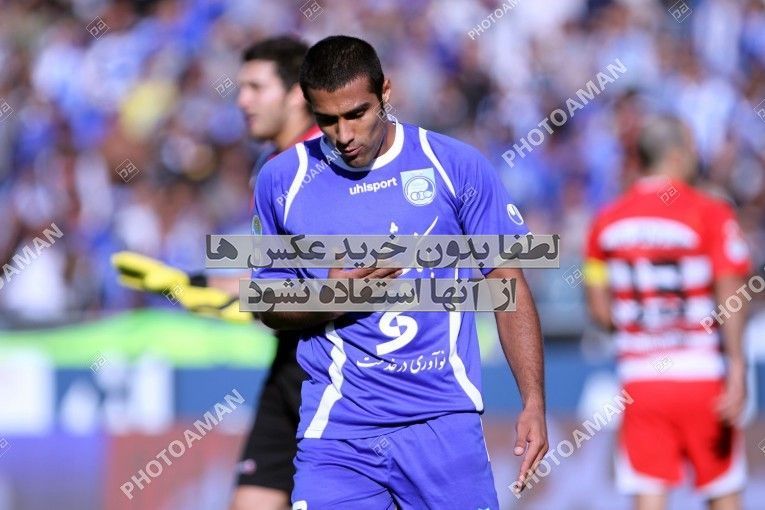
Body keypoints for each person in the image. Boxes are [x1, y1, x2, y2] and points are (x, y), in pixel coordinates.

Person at [252, 35, 548, 509]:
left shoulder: (454, 165)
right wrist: (327, 300)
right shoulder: (281, 180)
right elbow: (266, 300)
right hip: (337, 433)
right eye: (327, 120)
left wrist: (532, 400)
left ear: (385, 92)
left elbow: (505, 281)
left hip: (441, 425)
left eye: (357, 114)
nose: (344, 135)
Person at [112, 35, 319, 510]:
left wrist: (215, 291)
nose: (241, 100)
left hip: (331, 366)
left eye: (255, 87)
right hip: (289, 360)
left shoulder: (321, 166)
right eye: (240, 87)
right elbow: (276, 275)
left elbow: (319, 285)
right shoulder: (270, 164)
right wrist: (192, 284)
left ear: (295, 94)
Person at [584, 116, 751, 510]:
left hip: (641, 379)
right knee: (723, 491)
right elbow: (731, 292)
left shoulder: (605, 221)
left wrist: (640, 324)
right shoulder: (710, 212)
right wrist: (738, 367)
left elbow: (600, 310)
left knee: (649, 494)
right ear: (676, 155)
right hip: (702, 376)